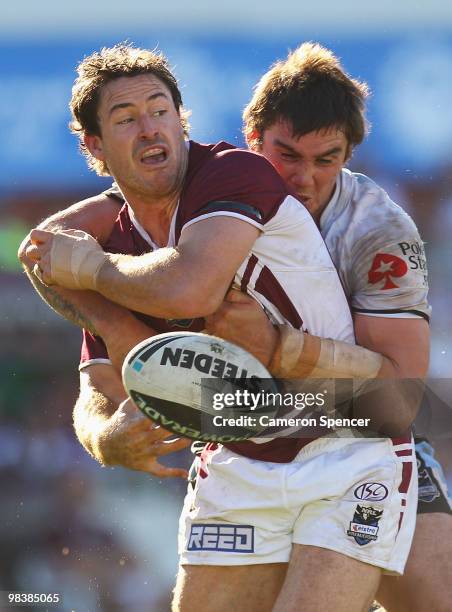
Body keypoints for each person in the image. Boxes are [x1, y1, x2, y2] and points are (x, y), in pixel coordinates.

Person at [20, 44, 419, 612]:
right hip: (240, 462)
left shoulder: (234, 172)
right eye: (126, 120)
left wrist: (93, 271)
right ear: (95, 147)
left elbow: (188, 287)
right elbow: (94, 379)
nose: (150, 128)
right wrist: (104, 437)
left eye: (161, 111)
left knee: (432, 591)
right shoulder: (118, 245)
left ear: (183, 124)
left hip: (349, 448)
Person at [202, 43, 452, 612]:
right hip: (250, 456)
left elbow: (397, 401)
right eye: (285, 155)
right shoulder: (207, 204)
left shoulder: (379, 229)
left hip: (364, 446)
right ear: (252, 138)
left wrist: (277, 352)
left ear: (350, 154)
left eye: (326, 159)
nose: (301, 178)